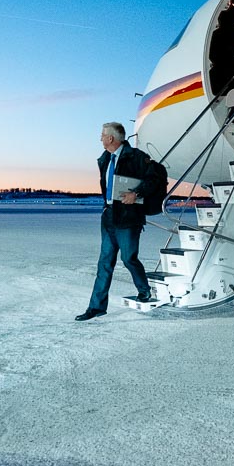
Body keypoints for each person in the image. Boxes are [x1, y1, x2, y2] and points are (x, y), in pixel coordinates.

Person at [75, 122, 154, 321]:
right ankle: (96, 307)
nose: (100, 138)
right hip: (109, 215)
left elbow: (154, 180)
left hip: (128, 217)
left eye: (102, 135)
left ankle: (144, 290)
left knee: (128, 259)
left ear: (111, 138)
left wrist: (136, 194)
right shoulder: (105, 160)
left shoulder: (136, 157)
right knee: (104, 263)